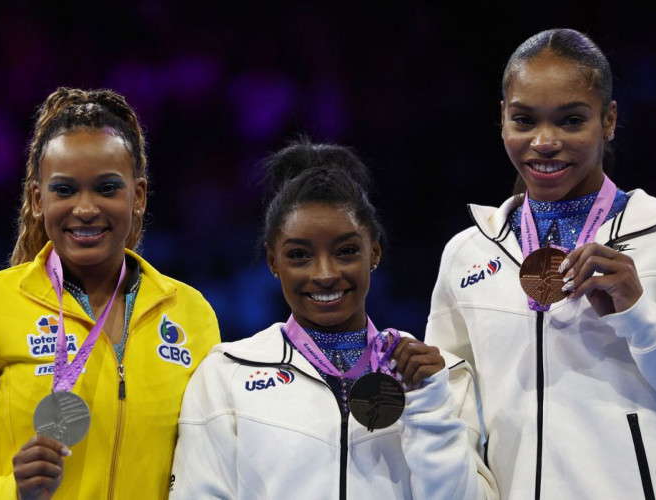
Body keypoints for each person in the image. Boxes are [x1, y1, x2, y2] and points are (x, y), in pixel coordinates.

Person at [425, 28, 656, 499]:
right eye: (524, 121)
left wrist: (640, 317)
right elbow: (454, 414)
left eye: (571, 121)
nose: (544, 142)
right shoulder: (468, 255)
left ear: (609, 120)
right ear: (503, 120)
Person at [169, 139, 498, 499]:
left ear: (373, 252)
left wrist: (429, 408)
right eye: (299, 255)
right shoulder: (226, 375)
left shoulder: (440, 375)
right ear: (272, 262)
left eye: (346, 251)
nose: (325, 274)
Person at [0, 87, 221, 499]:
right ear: (38, 199)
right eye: (64, 190)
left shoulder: (191, 315)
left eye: (107, 188)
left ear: (138, 196)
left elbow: (211, 472)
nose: (86, 208)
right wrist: (12, 492)